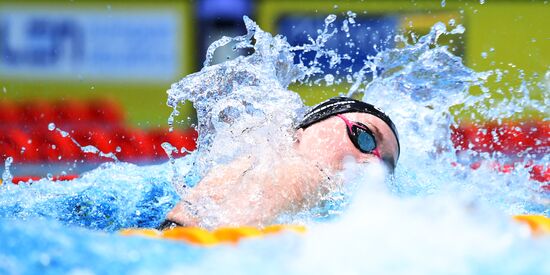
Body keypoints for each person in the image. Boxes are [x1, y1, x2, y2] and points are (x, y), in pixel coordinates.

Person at [158, 97, 400, 230]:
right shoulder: (304, 172)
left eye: (385, 167)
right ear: (300, 133)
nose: (371, 162)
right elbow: (224, 243)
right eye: (365, 137)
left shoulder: (240, 168)